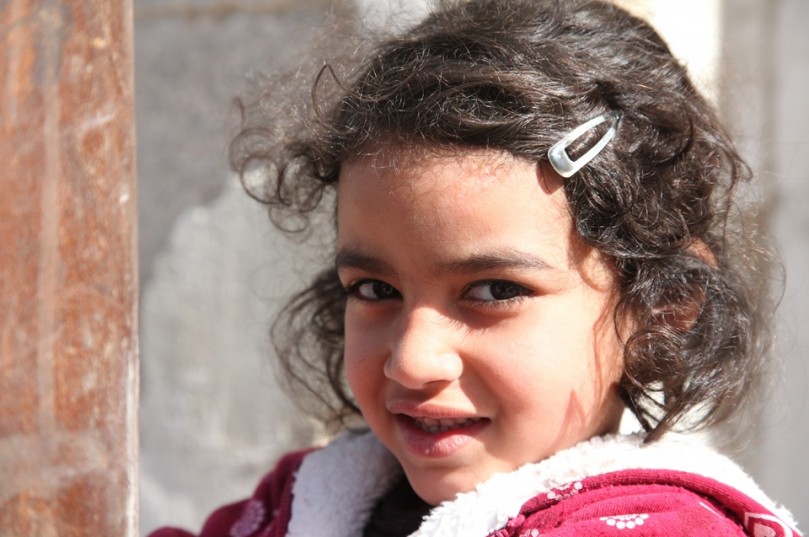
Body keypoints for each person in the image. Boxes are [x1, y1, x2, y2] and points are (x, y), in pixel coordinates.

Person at [149, 0, 802, 535]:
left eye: (492, 290)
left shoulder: (661, 528)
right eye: (375, 288)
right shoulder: (301, 502)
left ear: (662, 304)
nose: (413, 361)